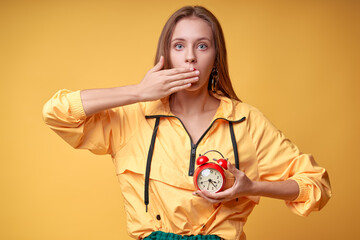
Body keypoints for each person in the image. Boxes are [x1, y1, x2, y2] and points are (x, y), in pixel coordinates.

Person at [42, 6, 331, 240]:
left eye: (202, 46)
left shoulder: (246, 121)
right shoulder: (133, 115)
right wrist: (138, 91)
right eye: (179, 46)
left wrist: (251, 187)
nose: (190, 57)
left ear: (216, 57)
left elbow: (315, 185)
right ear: (166, 57)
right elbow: (57, 113)